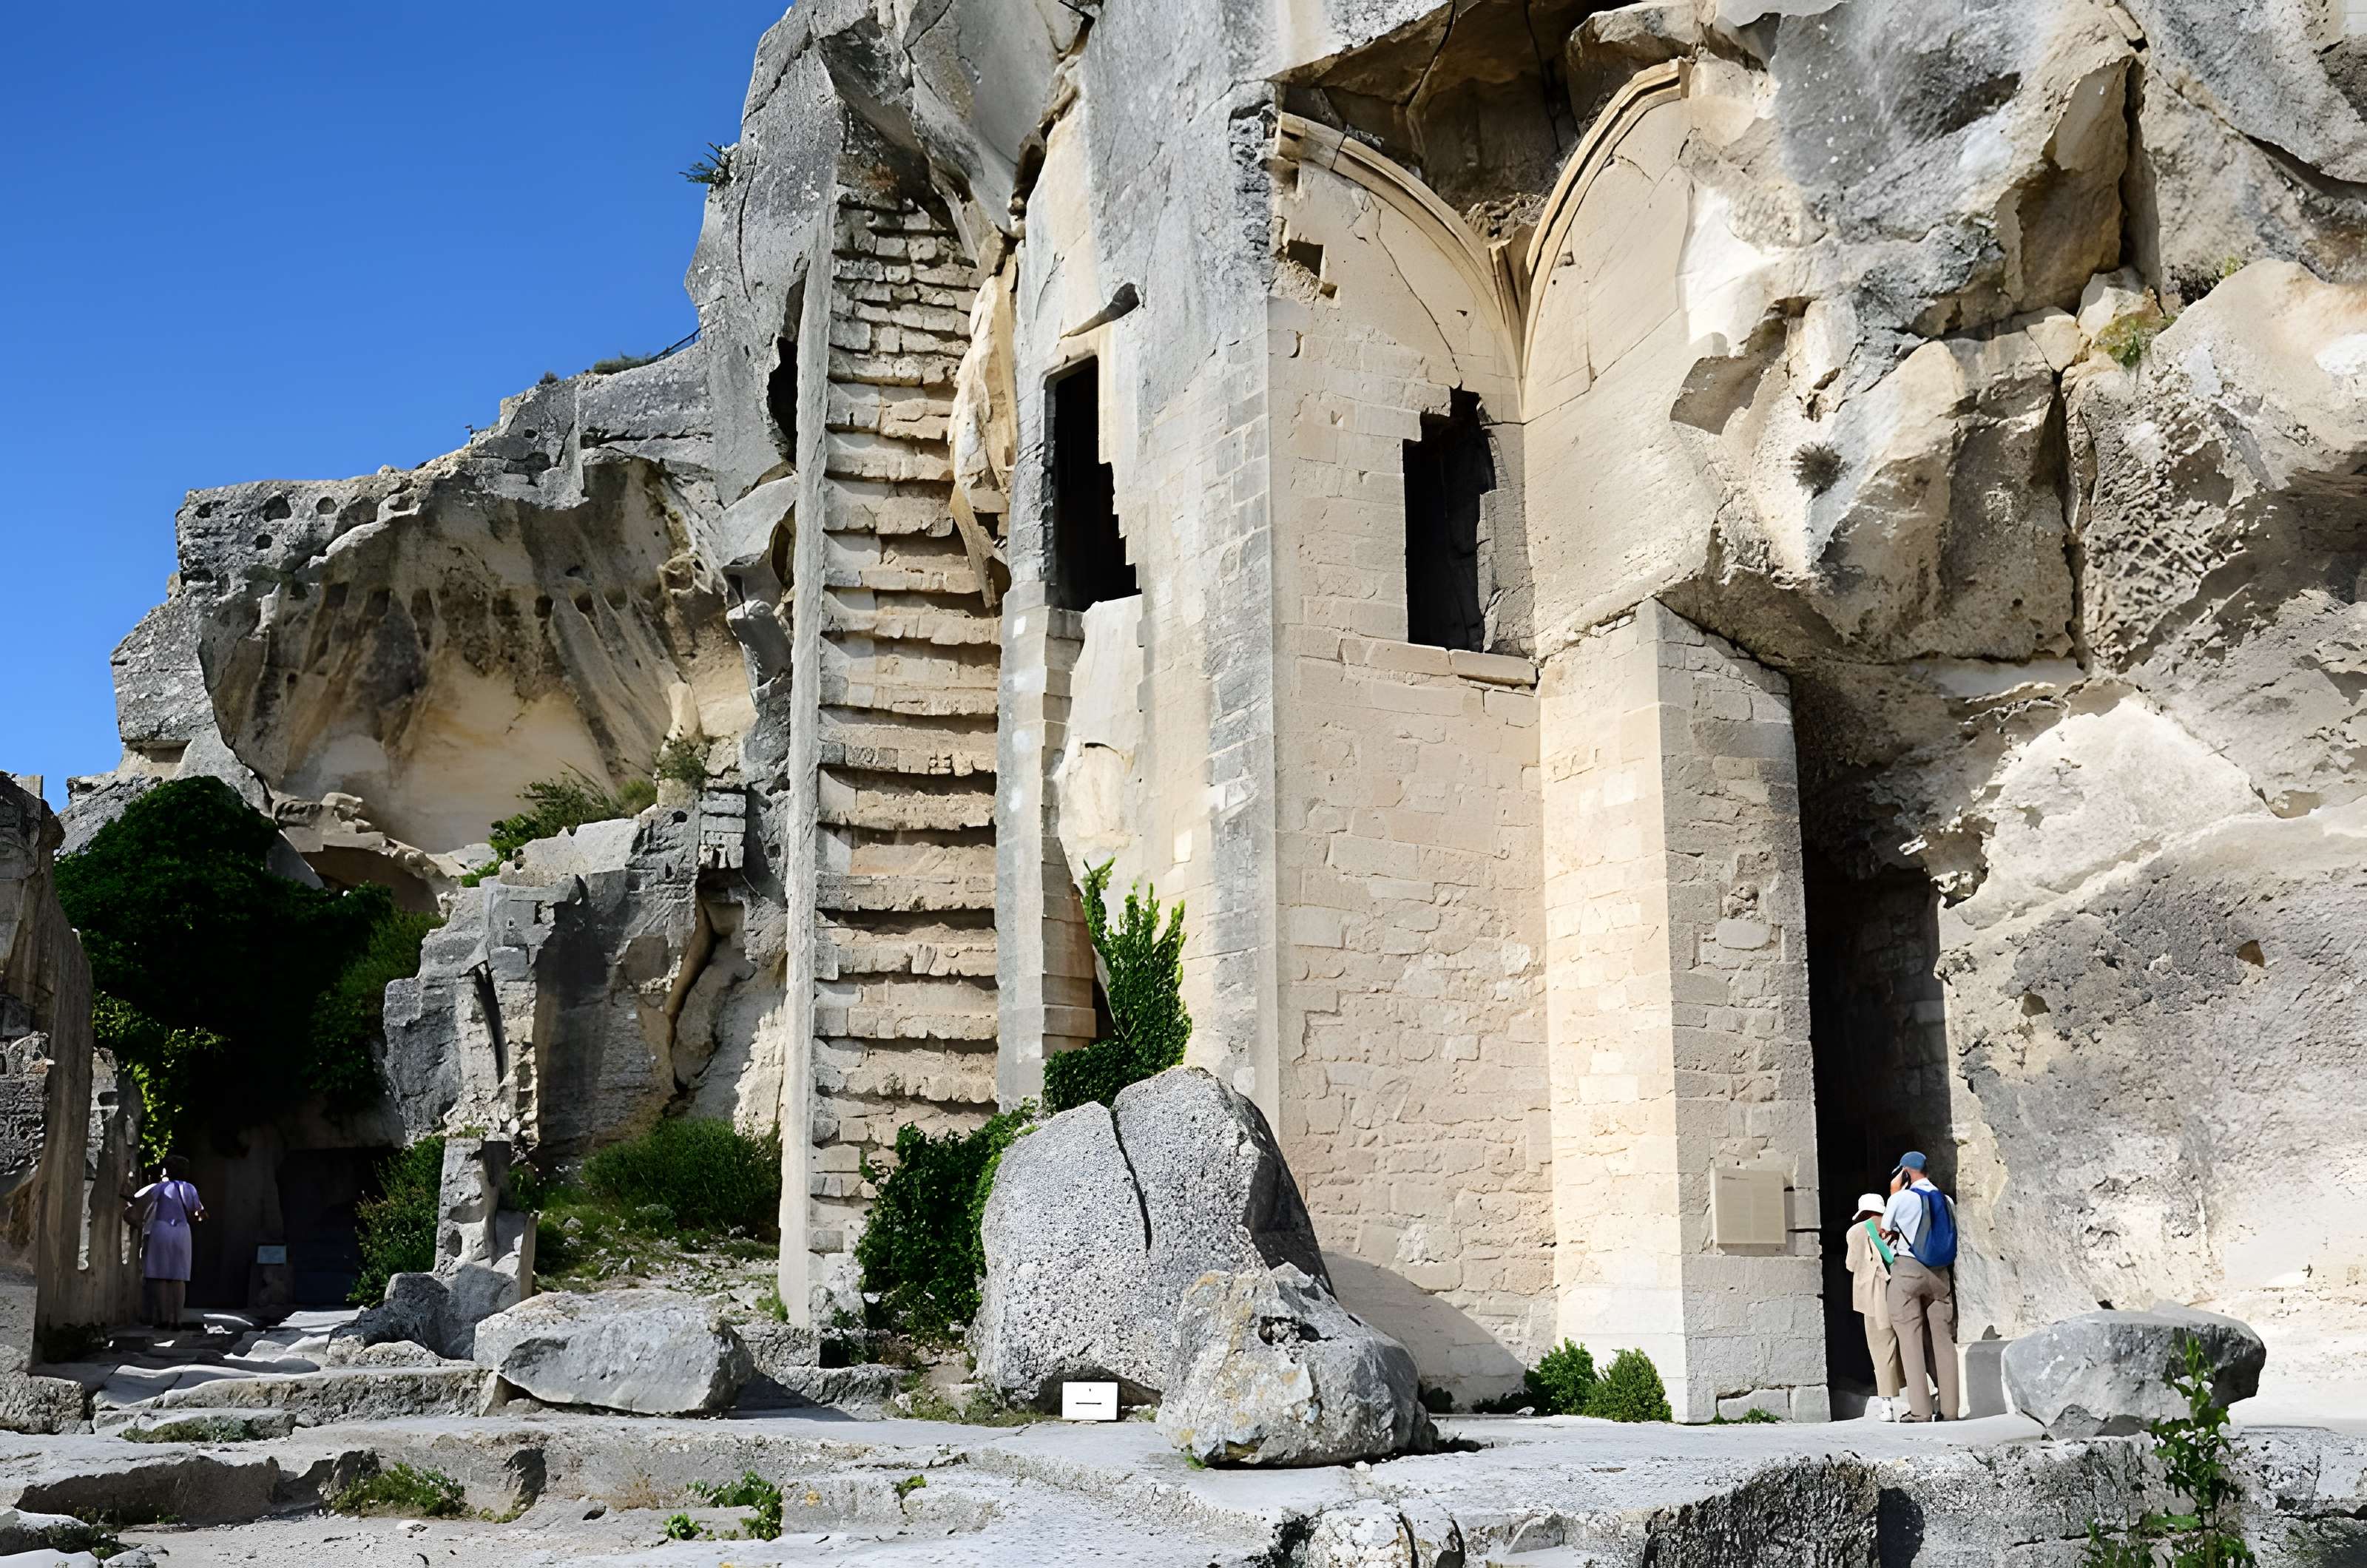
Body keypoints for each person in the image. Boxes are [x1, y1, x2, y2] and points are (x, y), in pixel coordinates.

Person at [1881, 1151, 1959, 1422]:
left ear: (1905, 1172)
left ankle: (1920, 1410)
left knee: (1910, 1337)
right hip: (1940, 1275)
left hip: (1909, 1271)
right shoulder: (1946, 1200)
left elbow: (1886, 1227)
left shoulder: (1902, 1198)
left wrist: (1893, 1191)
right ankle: (1950, 1410)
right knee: (1944, 1341)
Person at [1844, 1190, 1905, 1416]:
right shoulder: (1896, 1225)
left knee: (1882, 1347)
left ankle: (1887, 1405)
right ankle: (1924, 1396)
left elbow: (1851, 1264)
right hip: (1902, 1287)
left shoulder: (1857, 1231)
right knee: (1909, 1342)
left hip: (1876, 1295)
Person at [126, 1159, 205, 1331]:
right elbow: (198, 1213)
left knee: (160, 1276)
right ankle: (177, 1319)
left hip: (161, 1228)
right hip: (183, 1231)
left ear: (167, 1170)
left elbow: (138, 1203)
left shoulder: (160, 1187)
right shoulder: (190, 1188)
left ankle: (163, 1319)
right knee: (179, 1277)